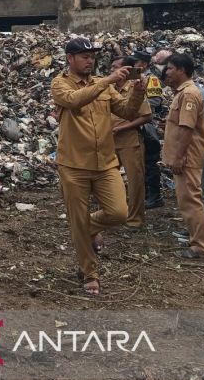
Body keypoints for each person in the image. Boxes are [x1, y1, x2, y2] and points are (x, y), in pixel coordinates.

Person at [52, 38, 145, 296]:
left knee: (119, 212)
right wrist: (108, 80)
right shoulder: (60, 83)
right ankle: (90, 273)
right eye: (84, 55)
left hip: (105, 162)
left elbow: (127, 112)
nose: (89, 60)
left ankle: (88, 228)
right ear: (70, 58)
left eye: (92, 55)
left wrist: (138, 90)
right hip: (73, 165)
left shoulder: (103, 85)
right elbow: (74, 101)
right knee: (77, 219)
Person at [161, 53, 204, 259]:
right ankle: (196, 241)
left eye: (170, 68)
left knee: (190, 200)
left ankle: (200, 246)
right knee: (187, 200)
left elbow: (186, 128)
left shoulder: (189, 94)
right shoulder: (181, 92)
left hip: (188, 158)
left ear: (181, 70)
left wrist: (179, 157)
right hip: (184, 157)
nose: (167, 73)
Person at [109, 56, 152, 230]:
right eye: (112, 68)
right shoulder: (109, 88)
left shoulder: (136, 88)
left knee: (135, 182)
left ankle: (135, 220)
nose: (112, 71)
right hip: (109, 141)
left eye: (116, 67)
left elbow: (147, 116)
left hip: (130, 141)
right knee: (108, 180)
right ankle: (111, 215)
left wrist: (123, 128)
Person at [131, 50, 165, 209]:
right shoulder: (132, 77)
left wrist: (134, 110)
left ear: (143, 64)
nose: (132, 65)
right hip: (134, 124)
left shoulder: (152, 79)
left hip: (148, 125)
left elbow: (155, 102)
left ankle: (155, 196)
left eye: (136, 62)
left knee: (151, 161)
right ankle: (142, 194)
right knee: (139, 162)